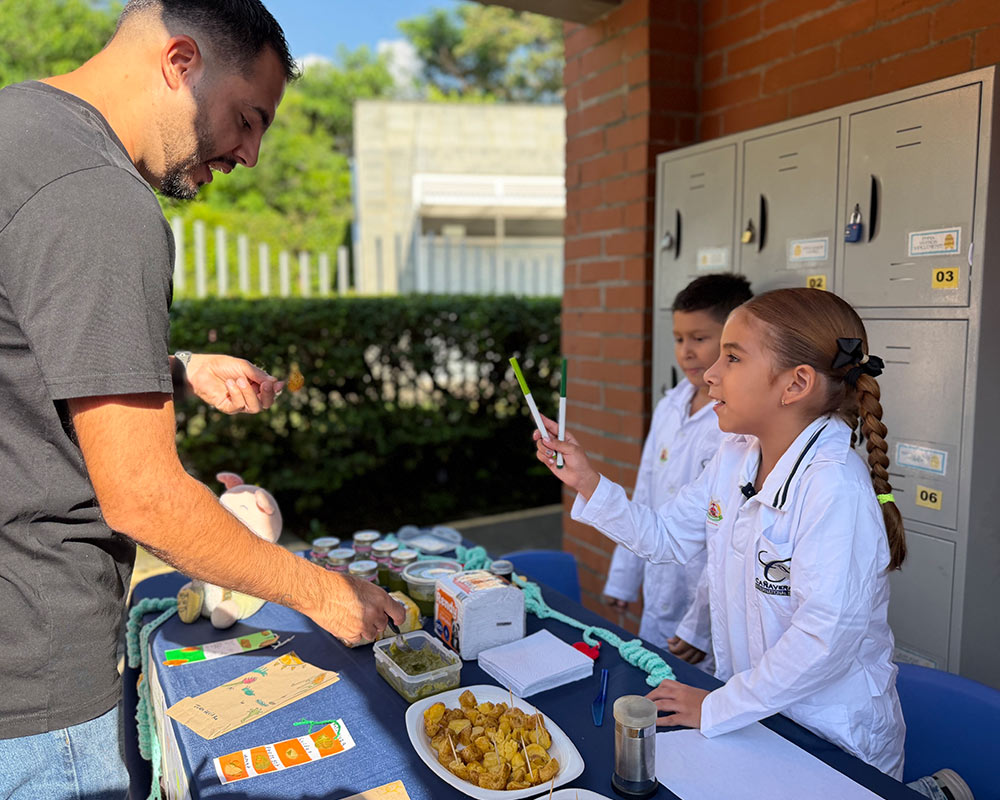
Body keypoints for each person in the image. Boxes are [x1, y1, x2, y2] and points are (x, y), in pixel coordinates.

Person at [0, 2, 403, 796]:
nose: (250, 155)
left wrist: (175, 366)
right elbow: (144, 501)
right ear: (181, 62)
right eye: (247, 119)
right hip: (35, 680)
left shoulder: (18, 127)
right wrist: (323, 592)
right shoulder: (100, 199)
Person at [536, 288, 906, 778]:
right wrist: (585, 479)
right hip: (756, 719)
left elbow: (823, 640)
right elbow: (664, 536)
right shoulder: (736, 454)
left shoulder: (834, 486)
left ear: (795, 384)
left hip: (829, 743)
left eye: (732, 357)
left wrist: (717, 705)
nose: (710, 372)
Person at [602, 274, 752, 674]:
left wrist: (698, 627)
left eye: (700, 339)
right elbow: (644, 493)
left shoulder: (740, 428)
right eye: (679, 338)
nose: (686, 352)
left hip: (702, 612)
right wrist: (623, 578)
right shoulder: (670, 405)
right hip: (659, 586)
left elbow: (731, 542)